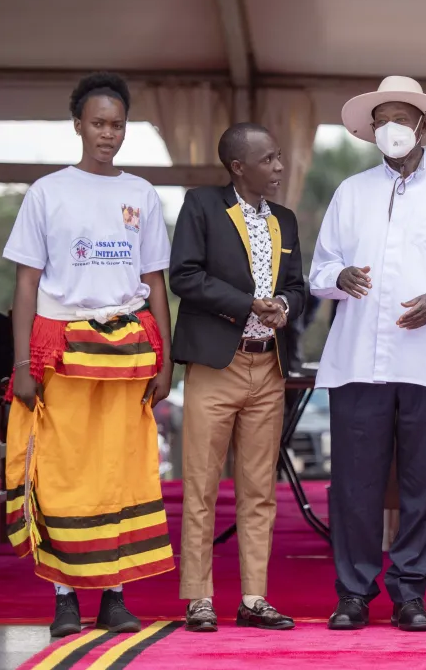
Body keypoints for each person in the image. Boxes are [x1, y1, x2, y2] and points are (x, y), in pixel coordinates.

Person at [310, 76, 426, 632]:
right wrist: (337, 276)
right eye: (380, 119)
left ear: (421, 126)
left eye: (399, 118)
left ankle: (410, 591)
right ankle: (353, 594)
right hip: (358, 362)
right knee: (355, 486)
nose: (389, 128)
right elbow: (318, 273)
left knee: (424, 485)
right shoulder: (350, 192)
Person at [3, 72, 174, 637]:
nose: (108, 134)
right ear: (78, 125)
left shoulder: (141, 194)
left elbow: (154, 282)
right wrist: (22, 364)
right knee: (62, 473)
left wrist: (165, 359)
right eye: (98, 123)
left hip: (128, 351)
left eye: (118, 125)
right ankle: (64, 599)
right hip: (63, 348)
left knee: (120, 469)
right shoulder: (48, 192)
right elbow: (26, 284)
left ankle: (115, 597)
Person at [170, 123, 307, 632]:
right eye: (268, 159)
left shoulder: (286, 220)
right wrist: (246, 304)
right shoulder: (202, 206)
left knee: (260, 491)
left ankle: (253, 598)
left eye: (278, 158)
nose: (278, 167)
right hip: (214, 366)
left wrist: (286, 307)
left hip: (267, 365)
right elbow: (183, 275)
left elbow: (297, 285)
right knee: (202, 487)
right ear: (238, 167)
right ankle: (199, 599)